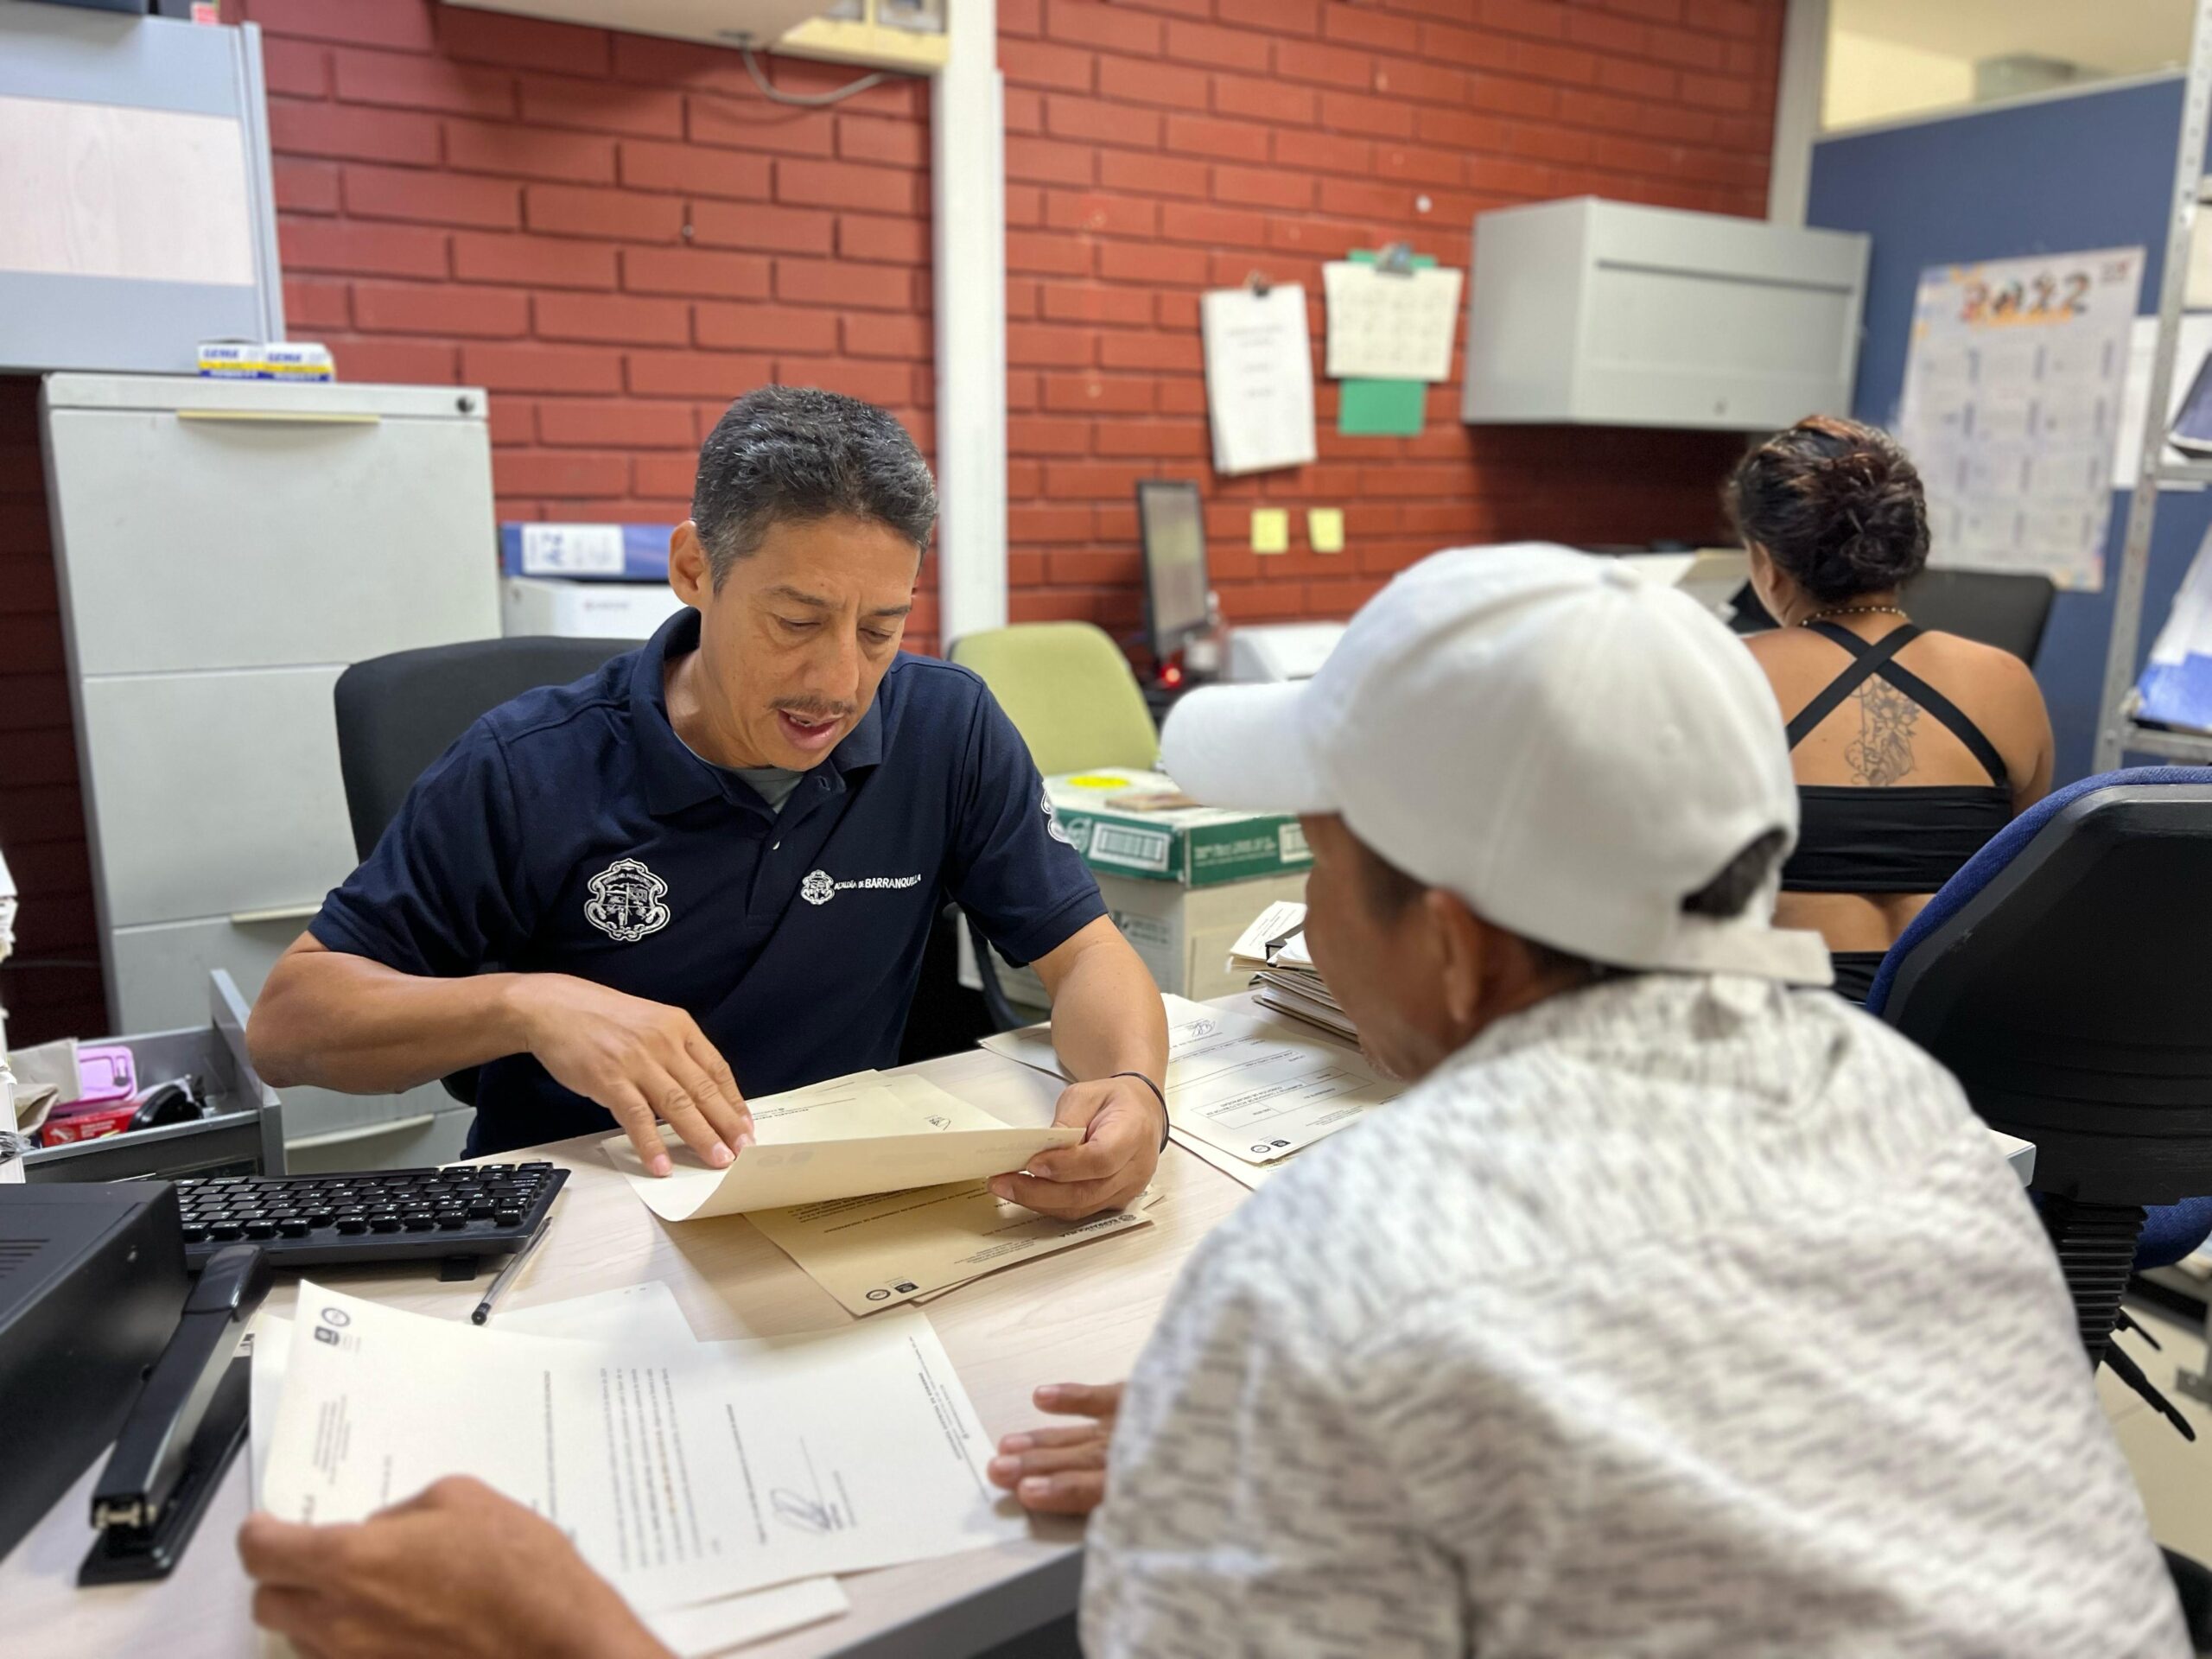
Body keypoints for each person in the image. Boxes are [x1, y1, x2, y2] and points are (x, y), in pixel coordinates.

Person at [238, 545, 2186, 1659]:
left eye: (1319, 871)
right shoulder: (1922, 1125)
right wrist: (1285, 1456)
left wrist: (568, 1638)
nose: (1297, 917)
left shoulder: (1344, 1282)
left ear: (1448, 937)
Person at [247, 387, 1166, 1217]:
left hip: (834, 1195)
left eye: (880, 629)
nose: (839, 681)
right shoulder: (527, 763)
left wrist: (1133, 1086)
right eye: (796, 622)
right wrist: (528, 1006)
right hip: (584, 1209)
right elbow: (287, 1026)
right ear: (694, 569)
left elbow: (1084, 954)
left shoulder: (945, 725)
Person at [1730, 416, 2055, 1003]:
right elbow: (2021, 880)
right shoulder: (2007, 683)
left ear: (1767, 564)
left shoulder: (1726, 673)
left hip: (1793, 1034)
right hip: (1955, 1034)